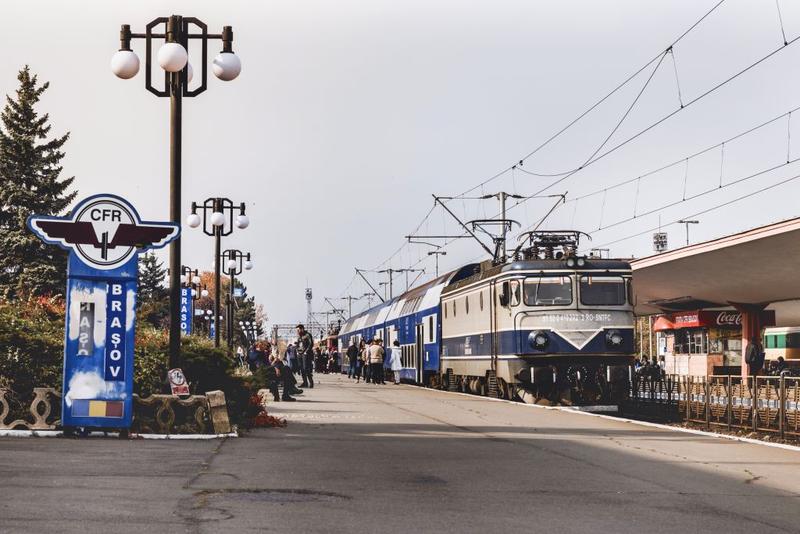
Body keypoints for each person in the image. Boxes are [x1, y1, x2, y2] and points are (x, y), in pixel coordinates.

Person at [296, 324, 315, 388]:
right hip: (300, 354)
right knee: (301, 369)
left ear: (302, 329)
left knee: (306, 368)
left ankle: (311, 382)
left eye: (298, 330)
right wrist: (297, 351)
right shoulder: (299, 337)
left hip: (306, 354)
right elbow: (298, 344)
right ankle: (305, 382)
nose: (297, 331)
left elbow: (311, 343)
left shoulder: (307, 335)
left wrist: (306, 351)